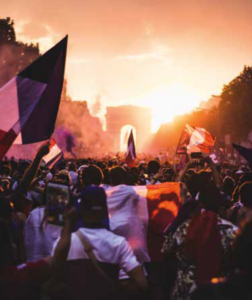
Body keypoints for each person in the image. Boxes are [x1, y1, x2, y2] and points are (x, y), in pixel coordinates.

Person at [52, 185, 148, 292]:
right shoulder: (118, 243)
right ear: (105, 209)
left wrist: (68, 222)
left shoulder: (65, 243)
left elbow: (52, 276)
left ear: (80, 209)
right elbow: (141, 283)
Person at [162, 185, 237, 300]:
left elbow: (166, 250)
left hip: (186, 289)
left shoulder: (184, 227)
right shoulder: (231, 230)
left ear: (200, 203)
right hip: (217, 290)